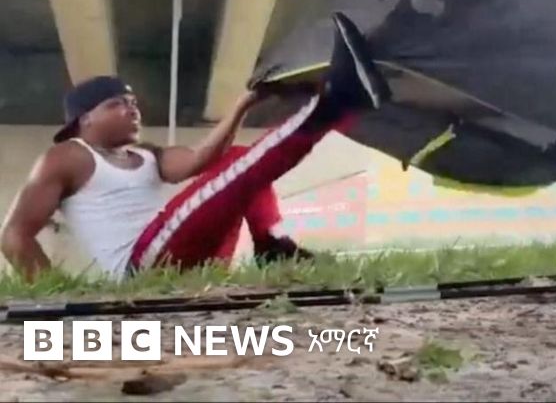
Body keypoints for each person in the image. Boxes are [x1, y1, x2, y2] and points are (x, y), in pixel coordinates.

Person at [0, 15, 389, 283]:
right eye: (116, 104)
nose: (132, 109)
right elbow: (14, 235)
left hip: (193, 261)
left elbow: (202, 159)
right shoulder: (68, 156)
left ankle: (270, 247)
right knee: (239, 168)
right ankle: (334, 105)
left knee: (235, 158)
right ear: (84, 120)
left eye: (133, 102)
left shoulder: (147, 155)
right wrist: (62, 296)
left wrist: (243, 104)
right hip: (143, 265)